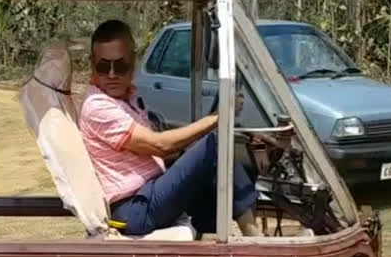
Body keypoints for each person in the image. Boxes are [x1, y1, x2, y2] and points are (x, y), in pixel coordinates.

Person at [79, 19, 265, 237]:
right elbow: (161, 146)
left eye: (120, 66)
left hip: (148, 195)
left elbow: (167, 148)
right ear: (93, 65)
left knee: (214, 168)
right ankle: (257, 244)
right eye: (103, 66)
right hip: (133, 209)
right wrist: (219, 116)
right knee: (214, 147)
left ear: (133, 62)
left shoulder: (128, 99)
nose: (111, 74)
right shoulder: (98, 106)